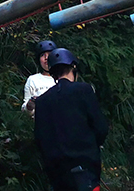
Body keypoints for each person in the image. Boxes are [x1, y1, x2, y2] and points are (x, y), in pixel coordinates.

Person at [33, 48, 108, 191]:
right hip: (85, 166)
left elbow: (39, 137)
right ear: (73, 67)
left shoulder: (42, 101)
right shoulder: (83, 90)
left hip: (57, 172)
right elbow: (100, 127)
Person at [23, 40, 58, 118]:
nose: (46, 58)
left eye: (49, 54)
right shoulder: (33, 80)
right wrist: (29, 105)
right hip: (41, 124)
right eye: (43, 55)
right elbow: (26, 111)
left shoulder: (63, 78)